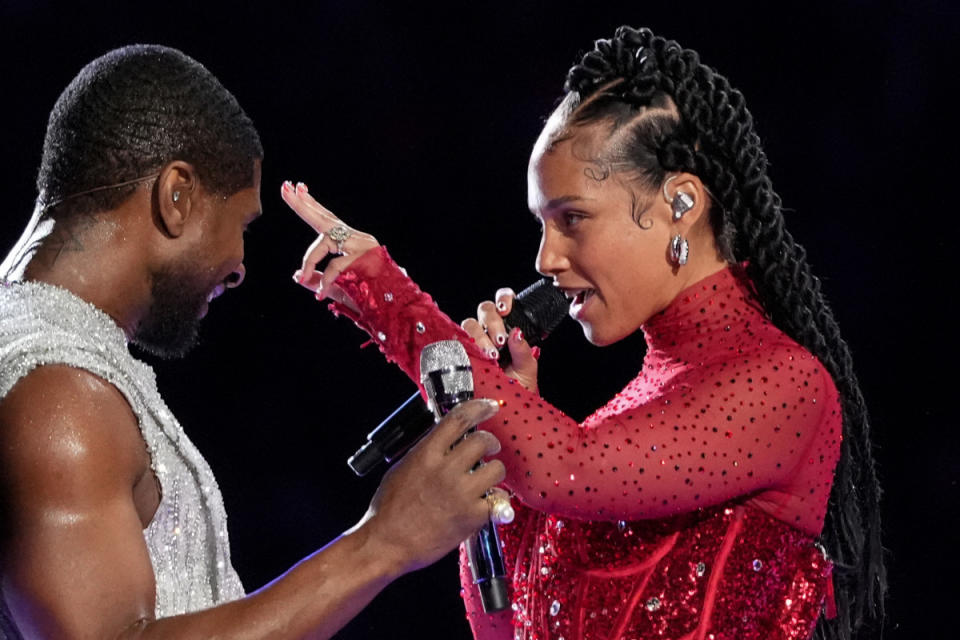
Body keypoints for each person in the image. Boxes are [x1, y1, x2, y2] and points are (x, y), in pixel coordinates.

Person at [283, 27, 885, 640]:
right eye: (543, 225)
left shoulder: (785, 382)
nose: (546, 258)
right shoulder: (637, 403)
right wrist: (491, 419)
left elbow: (570, 470)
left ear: (680, 203)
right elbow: (505, 625)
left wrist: (389, 299)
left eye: (573, 219)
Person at [0, 45, 508, 639]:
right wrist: (382, 542)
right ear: (177, 195)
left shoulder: (60, 356)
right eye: (240, 224)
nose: (240, 266)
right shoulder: (56, 392)